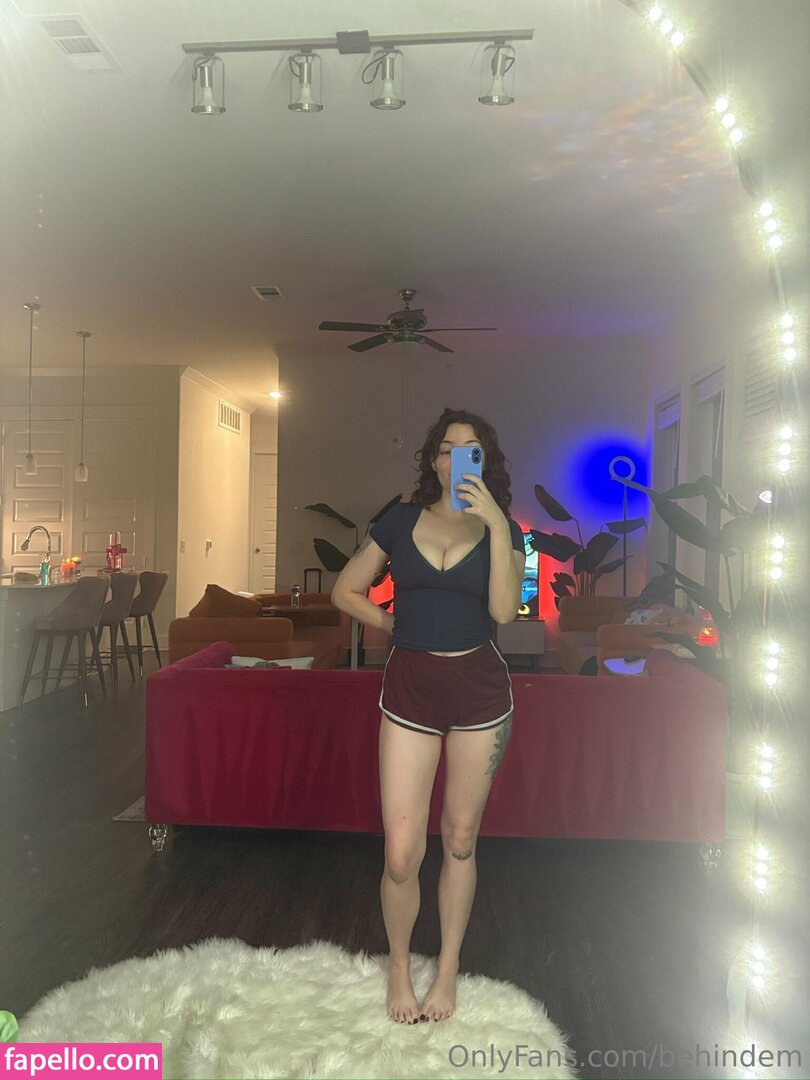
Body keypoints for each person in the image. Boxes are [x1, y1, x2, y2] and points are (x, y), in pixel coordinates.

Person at [331, 407, 525, 1025]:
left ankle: (446, 969)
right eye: (447, 448)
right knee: (401, 853)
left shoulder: (505, 531)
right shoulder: (400, 519)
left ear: (485, 462)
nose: (456, 458)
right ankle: (398, 966)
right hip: (410, 691)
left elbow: (504, 611)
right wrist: (394, 623)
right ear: (433, 460)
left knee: (460, 840)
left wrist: (496, 524)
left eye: (471, 449)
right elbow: (344, 590)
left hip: (480, 695)